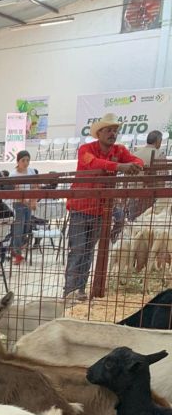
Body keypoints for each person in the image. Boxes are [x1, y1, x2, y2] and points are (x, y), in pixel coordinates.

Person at [64, 112, 143, 302]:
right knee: (78, 250)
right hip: (80, 208)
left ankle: (80, 291)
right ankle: (69, 292)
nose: (112, 134)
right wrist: (120, 167)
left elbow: (137, 160)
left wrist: (134, 166)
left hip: (100, 210)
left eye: (115, 131)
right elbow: (93, 163)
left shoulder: (120, 151)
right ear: (99, 133)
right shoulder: (85, 149)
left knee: (88, 251)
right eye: (109, 130)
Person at [9, 150, 37, 265]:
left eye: (27, 160)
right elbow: (15, 191)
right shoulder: (13, 174)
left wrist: (33, 201)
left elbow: (35, 186)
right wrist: (26, 201)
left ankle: (16, 248)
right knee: (18, 229)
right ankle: (17, 254)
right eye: (23, 160)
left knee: (27, 226)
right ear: (18, 161)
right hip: (17, 204)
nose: (26, 163)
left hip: (28, 203)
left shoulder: (31, 171)